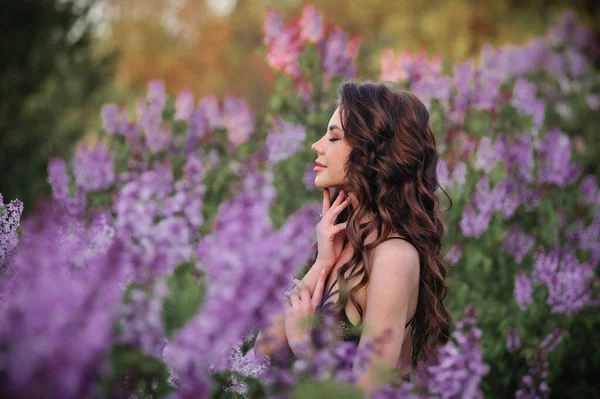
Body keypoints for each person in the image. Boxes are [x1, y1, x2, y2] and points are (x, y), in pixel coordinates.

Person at [254, 80, 452, 397]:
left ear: (370, 153)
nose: (317, 146)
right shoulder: (343, 244)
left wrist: (306, 349)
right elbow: (263, 353)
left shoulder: (393, 258)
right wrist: (322, 261)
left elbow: (369, 391)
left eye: (333, 137)